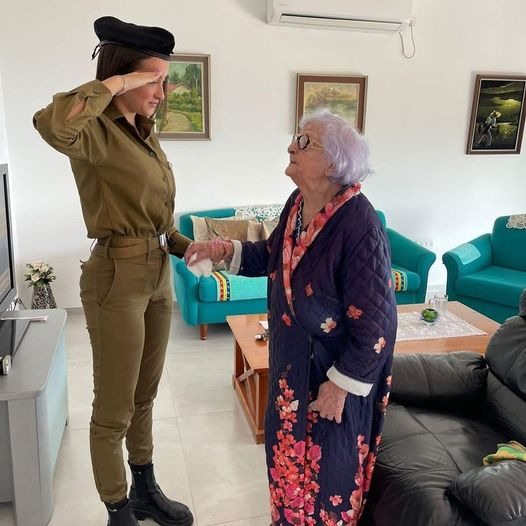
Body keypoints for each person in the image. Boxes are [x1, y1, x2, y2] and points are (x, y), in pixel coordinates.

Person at [185, 109, 397, 525]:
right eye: (295, 138)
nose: (290, 146)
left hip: (333, 380)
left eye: (304, 142)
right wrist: (224, 250)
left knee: (329, 478)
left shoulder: (359, 224)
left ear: (335, 164)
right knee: (286, 466)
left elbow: (377, 324)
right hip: (290, 369)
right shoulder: (299, 202)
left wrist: (340, 386)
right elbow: (274, 255)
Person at [33, 16, 194, 526]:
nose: (162, 93)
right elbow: (50, 123)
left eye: (165, 82)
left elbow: (157, 215)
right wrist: (118, 83)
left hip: (157, 272)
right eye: (155, 80)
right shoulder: (94, 131)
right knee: (113, 408)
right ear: (124, 76)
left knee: (145, 395)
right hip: (115, 279)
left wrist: (188, 245)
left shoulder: (143, 133)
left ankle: (145, 486)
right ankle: (117, 507)